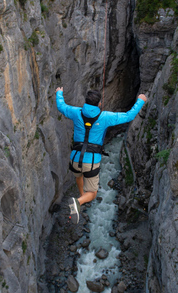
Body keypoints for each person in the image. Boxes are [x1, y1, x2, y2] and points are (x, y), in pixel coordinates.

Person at [56, 87, 147, 223]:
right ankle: (80, 201)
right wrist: (141, 100)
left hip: (75, 157)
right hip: (91, 161)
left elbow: (61, 106)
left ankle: (81, 198)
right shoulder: (105, 117)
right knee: (92, 194)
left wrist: (59, 92)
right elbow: (128, 116)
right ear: (99, 103)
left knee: (78, 175)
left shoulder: (76, 112)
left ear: (85, 102)